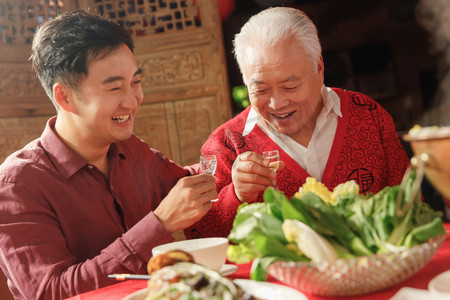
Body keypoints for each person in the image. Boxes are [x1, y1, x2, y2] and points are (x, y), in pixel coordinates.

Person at [0, 10, 217, 300]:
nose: (132, 100)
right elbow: (51, 292)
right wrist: (159, 225)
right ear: (65, 96)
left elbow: (186, 185)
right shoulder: (17, 184)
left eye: (135, 82)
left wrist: (234, 166)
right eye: (114, 87)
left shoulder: (130, 150)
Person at [185, 7, 409, 239]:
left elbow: (409, 205)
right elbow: (200, 238)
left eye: (290, 86)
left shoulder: (368, 116)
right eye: (260, 89)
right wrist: (237, 195)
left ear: (319, 68)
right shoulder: (225, 144)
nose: (277, 103)